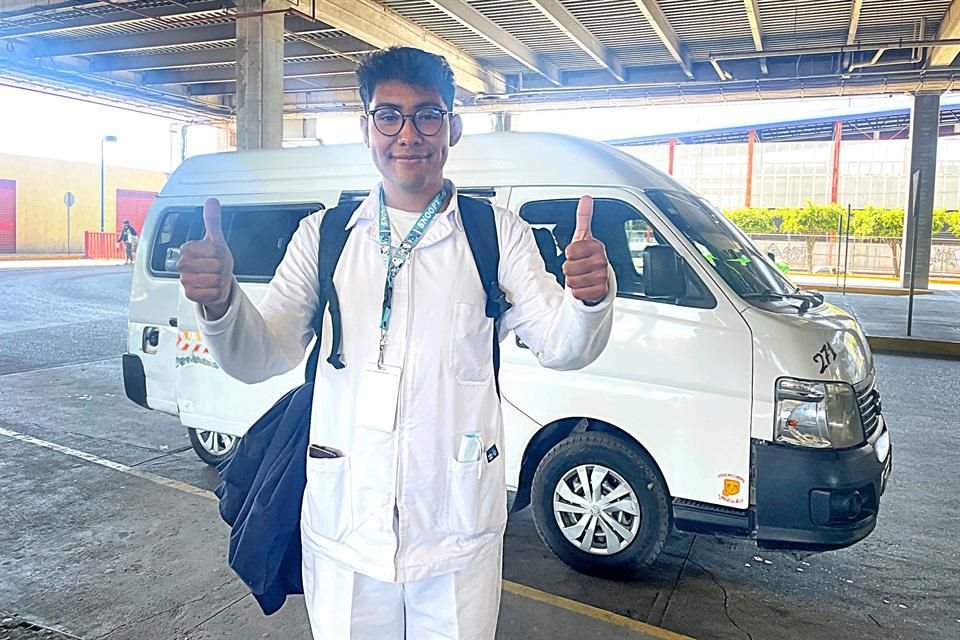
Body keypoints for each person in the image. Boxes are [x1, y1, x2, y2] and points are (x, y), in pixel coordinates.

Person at [177, 46, 615, 640]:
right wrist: (221, 302)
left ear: (453, 127)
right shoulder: (326, 236)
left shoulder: (494, 235)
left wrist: (588, 300)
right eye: (389, 116)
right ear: (366, 128)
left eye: (427, 115)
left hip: (455, 532)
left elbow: (561, 345)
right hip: (345, 529)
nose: (408, 134)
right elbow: (262, 355)